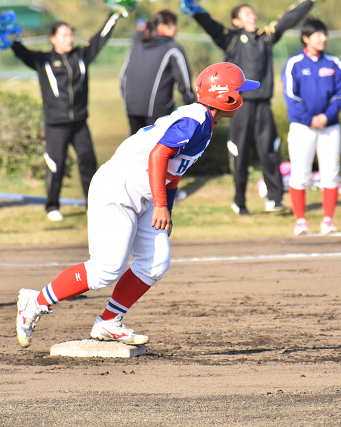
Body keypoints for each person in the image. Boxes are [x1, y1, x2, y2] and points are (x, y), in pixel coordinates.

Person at [14, 63, 260, 348]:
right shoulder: (194, 119)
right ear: (225, 97)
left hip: (144, 193)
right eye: (239, 90)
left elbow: (173, 172)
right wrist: (160, 205)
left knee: (155, 263)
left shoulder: (205, 122)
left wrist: (166, 208)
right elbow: (158, 156)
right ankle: (34, 302)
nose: (242, 95)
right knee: (105, 270)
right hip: (118, 186)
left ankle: (108, 322)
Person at [183, 0, 317, 215]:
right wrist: (197, 11)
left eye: (253, 13)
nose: (252, 17)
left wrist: (309, 2)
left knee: (270, 151)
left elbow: (288, 18)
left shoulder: (266, 37)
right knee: (239, 152)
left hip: (263, 105)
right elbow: (212, 25)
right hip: (239, 106)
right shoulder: (231, 39)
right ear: (236, 21)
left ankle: (274, 199)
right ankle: (239, 201)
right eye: (246, 14)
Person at [10, 12, 123, 222]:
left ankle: (93, 206)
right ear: (53, 39)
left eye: (71, 35)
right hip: (56, 125)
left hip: (80, 123)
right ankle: (52, 206)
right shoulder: (43, 60)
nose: (69, 39)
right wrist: (11, 39)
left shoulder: (81, 56)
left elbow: (101, 37)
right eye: (64, 35)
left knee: (88, 163)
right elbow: (21, 52)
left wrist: (114, 15)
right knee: (56, 165)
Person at [283, 18, 341, 236]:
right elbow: (291, 96)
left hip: (330, 127)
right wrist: (310, 119)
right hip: (303, 127)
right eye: (317, 34)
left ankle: (328, 220)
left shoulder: (334, 63)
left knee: (330, 174)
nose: (323, 38)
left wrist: (326, 117)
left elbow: (339, 94)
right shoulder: (295, 63)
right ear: (306, 38)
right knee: (300, 174)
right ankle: (300, 221)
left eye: (324, 34)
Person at [120, 10, 194, 135]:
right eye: (173, 25)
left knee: (137, 150)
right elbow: (184, 80)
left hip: (132, 107)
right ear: (163, 26)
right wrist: (192, 106)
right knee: (158, 150)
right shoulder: (173, 48)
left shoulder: (137, 45)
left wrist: (127, 102)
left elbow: (122, 77)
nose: (176, 29)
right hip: (158, 111)